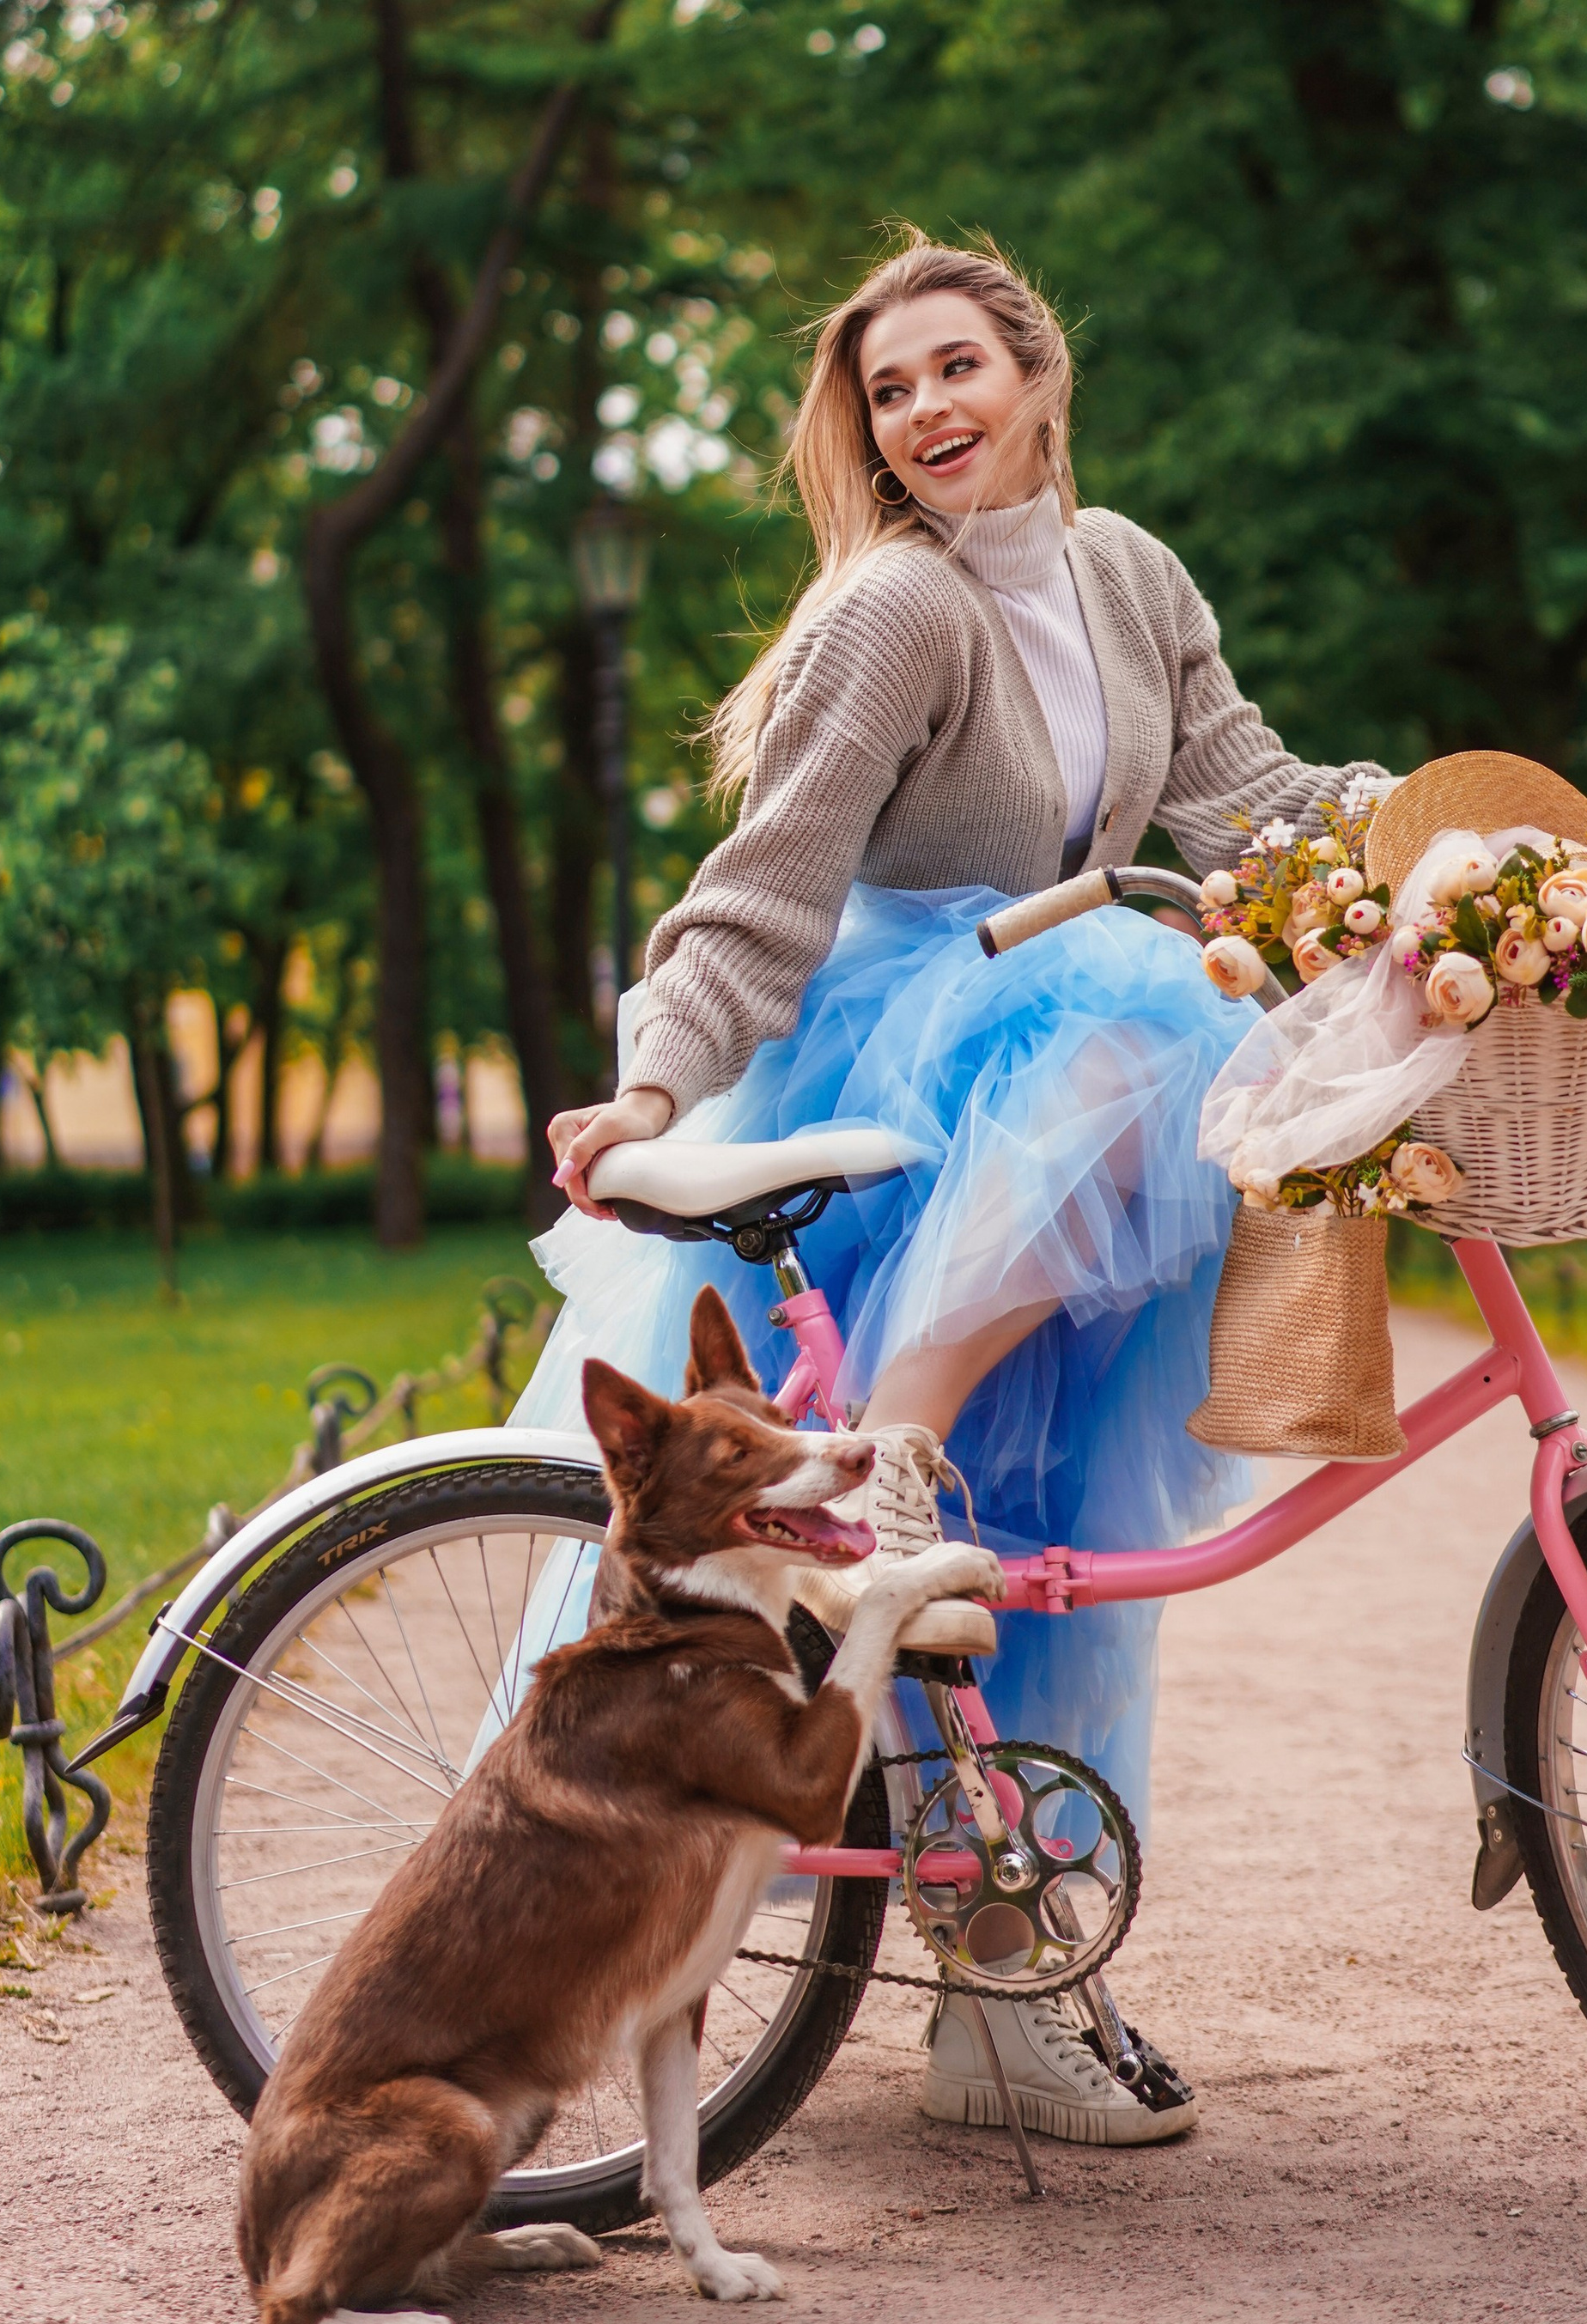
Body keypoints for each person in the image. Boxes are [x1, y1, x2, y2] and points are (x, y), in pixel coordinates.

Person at [529, 229, 1383, 2144]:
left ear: (1036, 372)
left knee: (1043, 1570)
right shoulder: (892, 612)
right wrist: (652, 1073)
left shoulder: (1127, 571)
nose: (922, 411)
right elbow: (772, 876)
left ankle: (1005, 1981)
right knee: (1148, 998)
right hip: (918, 1064)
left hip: (1054, 1126)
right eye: (885, 389)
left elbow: (1250, 799)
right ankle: (887, 1444)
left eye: (951, 368)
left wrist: (1454, 848)